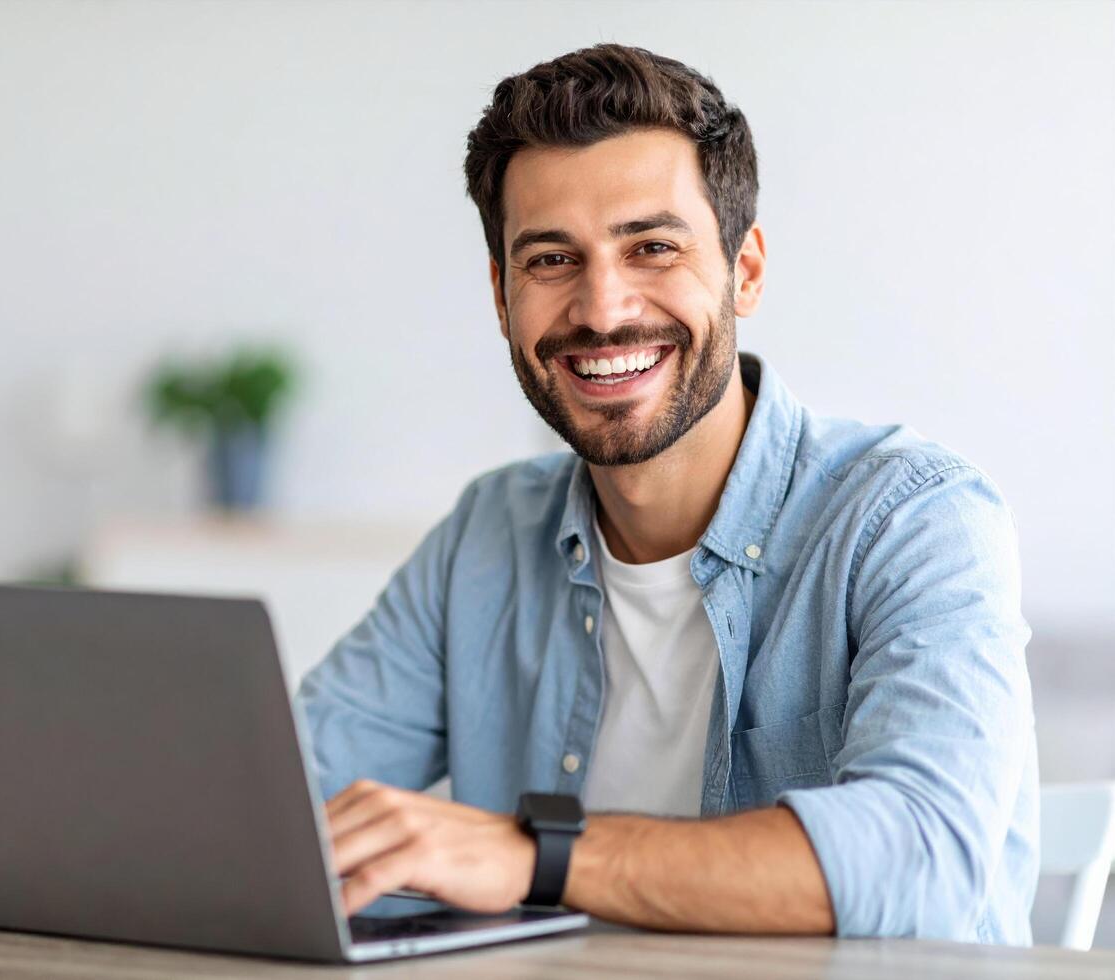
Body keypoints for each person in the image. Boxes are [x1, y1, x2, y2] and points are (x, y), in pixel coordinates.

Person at [296, 43, 1037, 944]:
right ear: (501, 296)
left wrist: (537, 856)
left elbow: (926, 860)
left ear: (745, 270)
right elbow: (282, 803)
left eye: (651, 247)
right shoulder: (486, 534)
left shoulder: (915, 517)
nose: (603, 309)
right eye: (550, 260)